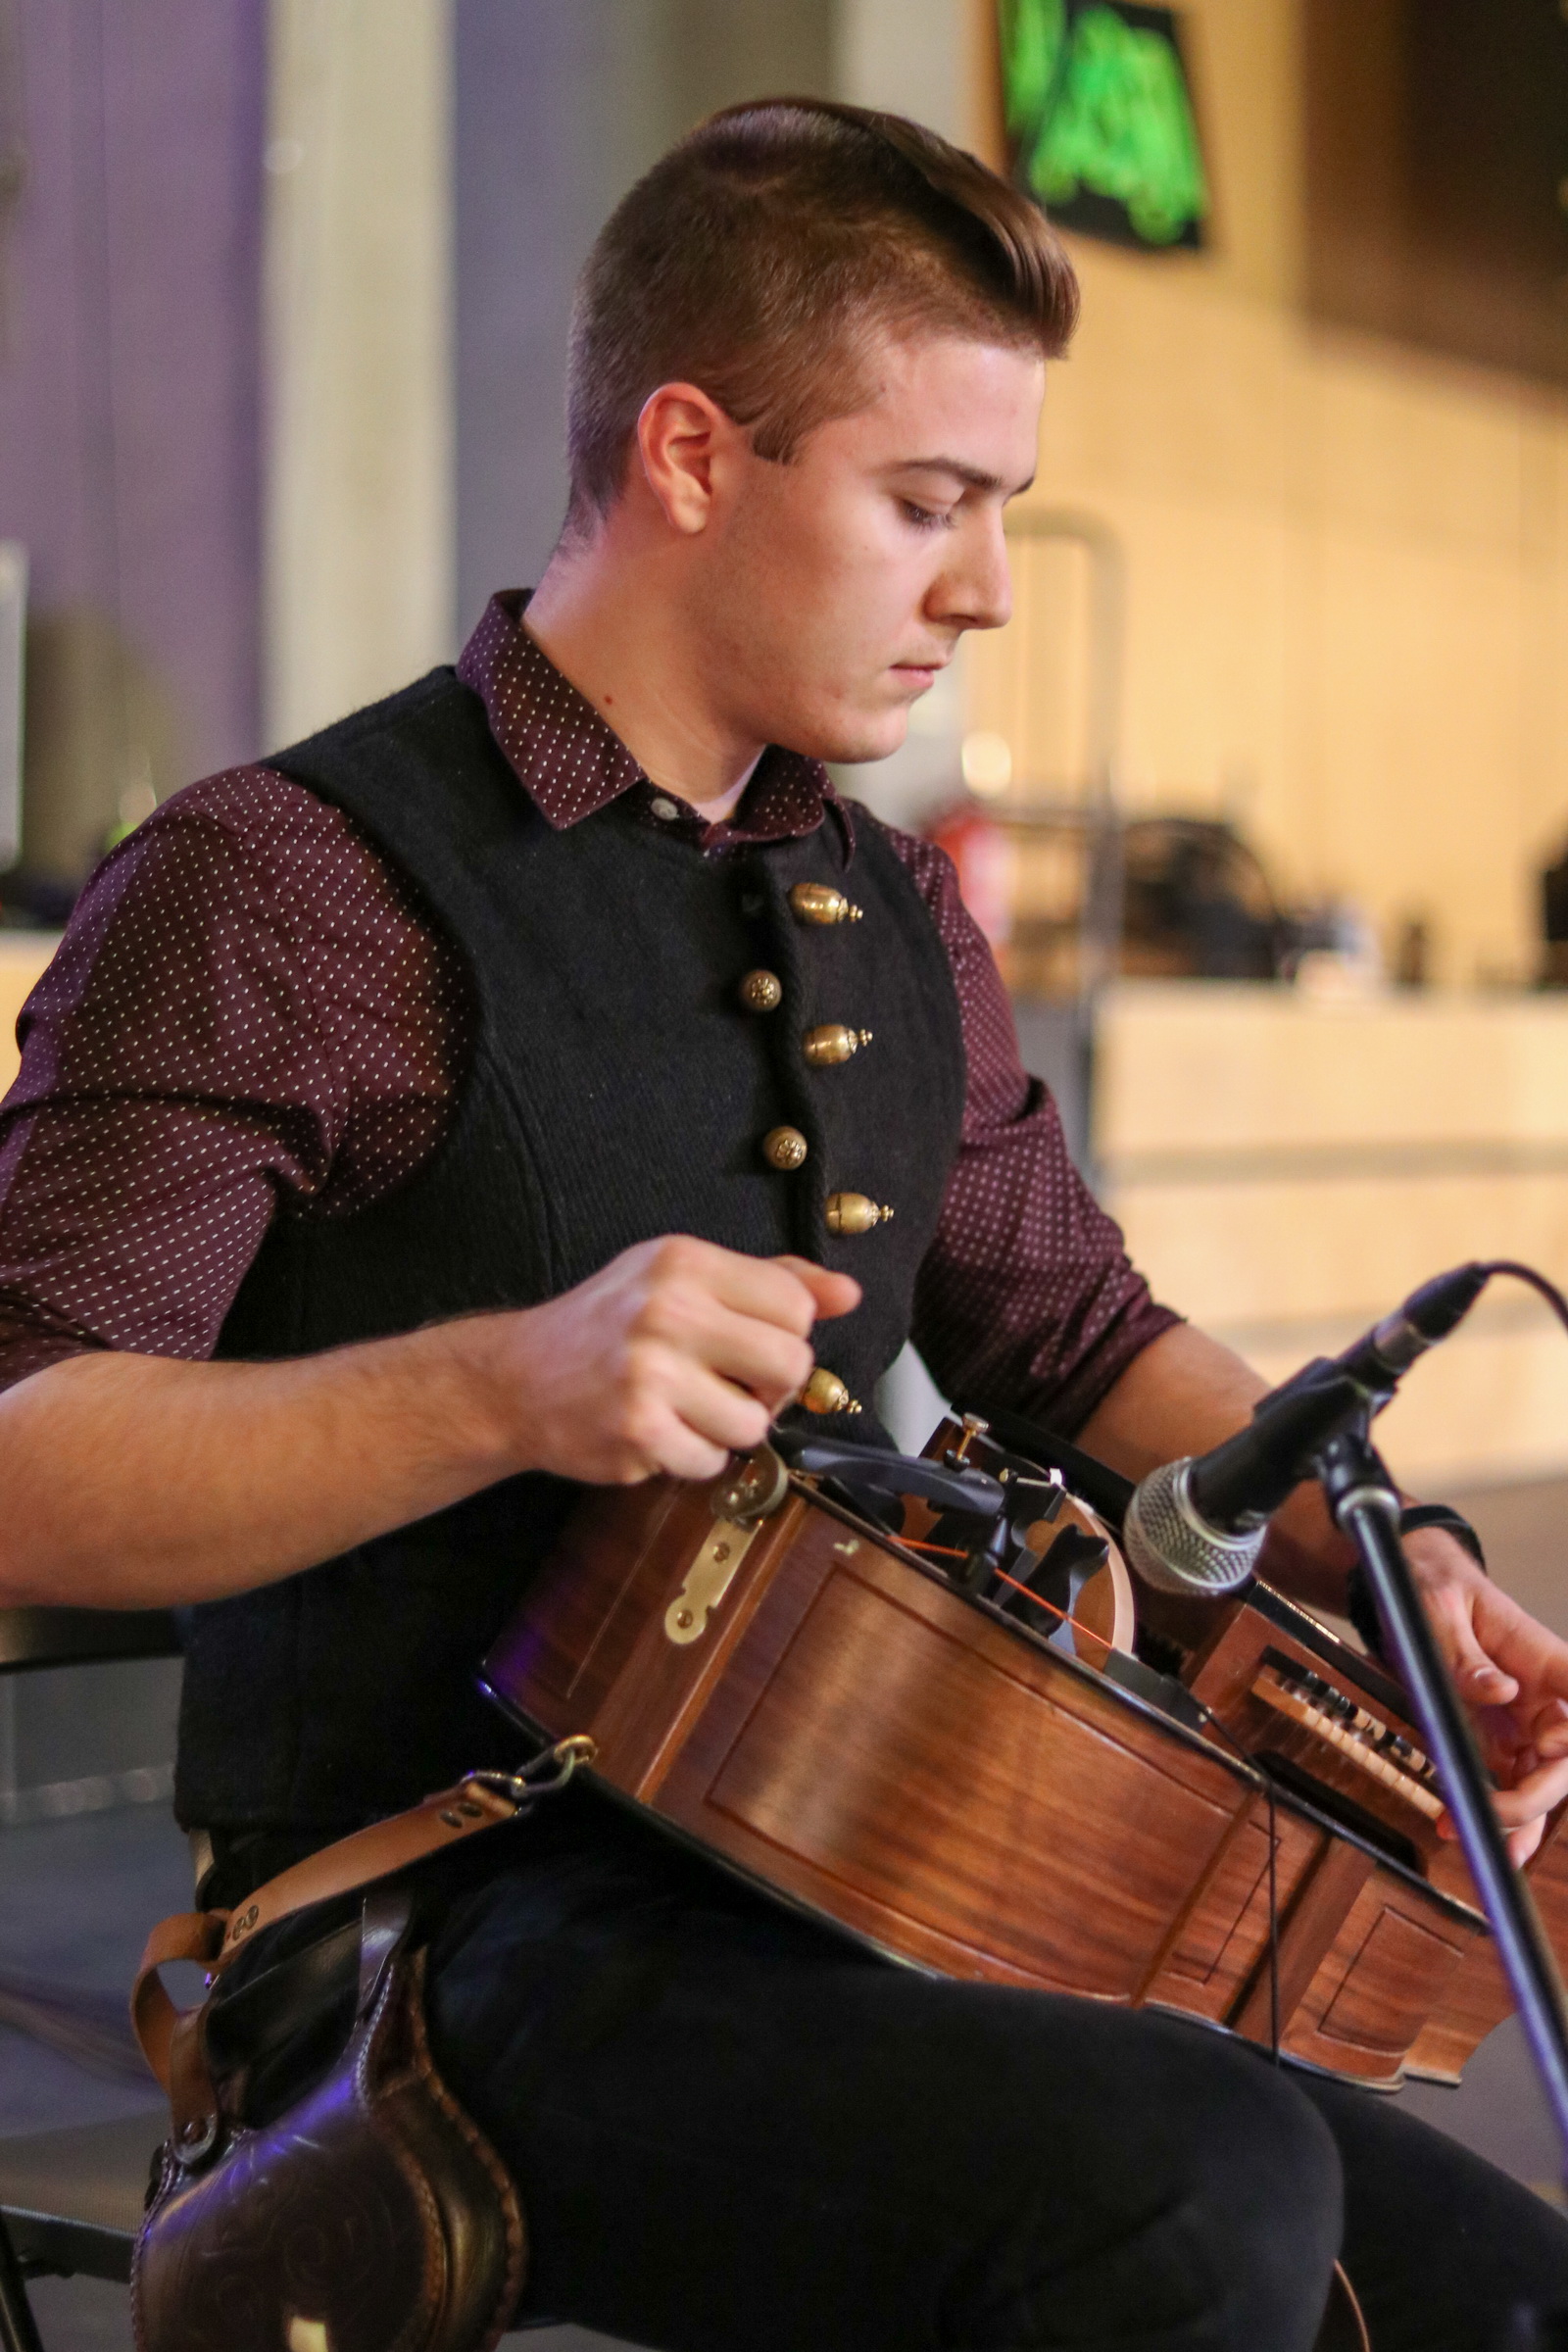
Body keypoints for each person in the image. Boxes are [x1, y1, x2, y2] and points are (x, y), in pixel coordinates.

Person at [2, 96, 1567, 2352]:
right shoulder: (284, 884)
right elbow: (22, 1456)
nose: (986, 586)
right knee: (1193, 2189)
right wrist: (506, 1383)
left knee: (1501, 2294)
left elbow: (1073, 1331)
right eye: (925, 503)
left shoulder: (888, 904)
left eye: (1000, 505)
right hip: (433, 1923)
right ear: (686, 455)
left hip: (847, 1849)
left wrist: (1386, 1562)